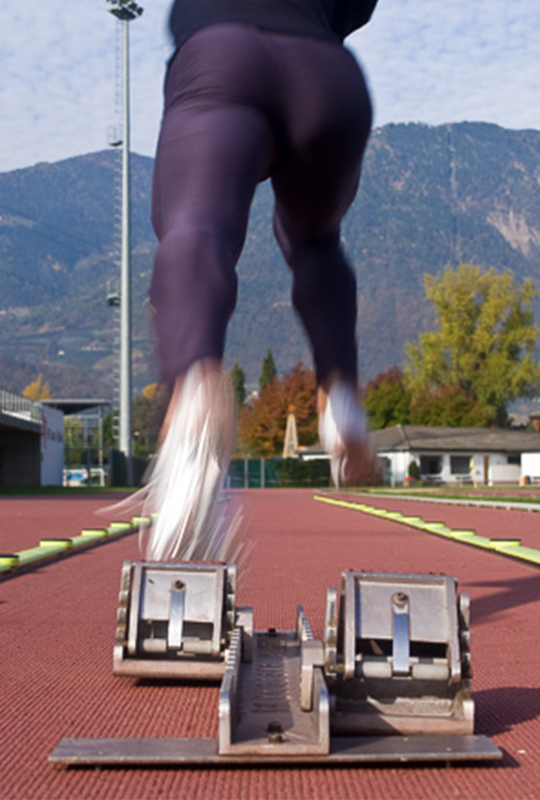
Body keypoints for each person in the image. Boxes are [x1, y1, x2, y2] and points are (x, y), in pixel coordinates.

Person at [137, 0, 380, 563]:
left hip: (222, 58)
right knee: (317, 242)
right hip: (327, 73)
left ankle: (195, 380)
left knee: (197, 228)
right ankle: (339, 396)